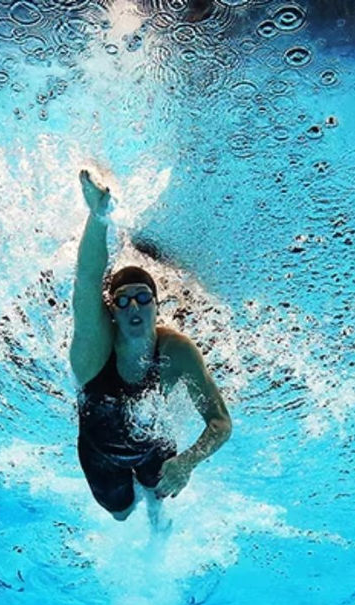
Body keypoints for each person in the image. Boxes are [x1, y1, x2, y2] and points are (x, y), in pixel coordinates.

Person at [69, 169, 232, 522]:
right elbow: (85, 280)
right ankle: (134, 506)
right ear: (110, 311)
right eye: (122, 301)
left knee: (160, 502)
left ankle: (157, 527)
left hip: (153, 448)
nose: (134, 307)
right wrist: (98, 218)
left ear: (157, 306)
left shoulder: (178, 352)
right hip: (100, 454)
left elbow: (220, 422)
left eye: (143, 298)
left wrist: (187, 461)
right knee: (123, 513)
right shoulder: (95, 353)